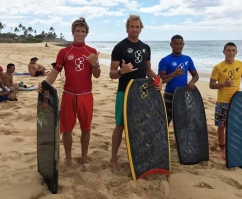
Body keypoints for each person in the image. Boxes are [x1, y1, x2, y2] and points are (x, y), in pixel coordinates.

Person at [37, 17, 101, 165]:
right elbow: (55, 71)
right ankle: (68, 158)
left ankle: (84, 156)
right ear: (72, 32)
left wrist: (95, 64)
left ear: (86, 33)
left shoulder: (91, 52)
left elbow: (97, 75)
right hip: (69, 95)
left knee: (86, 128)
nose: (80, 33)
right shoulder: (65, 51)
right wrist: (44, 84)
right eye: (77, 31)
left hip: (86, 95)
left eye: (83, 31)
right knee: (67, 129)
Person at [109, 14, 162, 171]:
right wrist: (122, 71)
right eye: (132, 26)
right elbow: (112, 74)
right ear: (127, 28)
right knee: (120, 125)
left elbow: (147, 70)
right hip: (124, 91)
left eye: (137, 27)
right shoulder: (120, 47)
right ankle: (113, 159)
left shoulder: (146, 47)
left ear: (141, 28)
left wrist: (157, 80)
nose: (134, 29)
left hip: (141, 93)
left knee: (140, 124)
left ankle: (139, 155)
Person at [209, 42, 242, 160]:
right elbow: (211, 85)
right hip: (223, 101)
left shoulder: (241, 65)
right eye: (228, 50)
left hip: (236, 101)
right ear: (224, 52)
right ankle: (222, 147)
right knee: (221, 125)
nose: (231, 53)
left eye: (233, 50)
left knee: (233, 125)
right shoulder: (218, 67)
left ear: (236, 52)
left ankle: (231, 145)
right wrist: (223, 84)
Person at [158, 35, 199, 125]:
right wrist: (173, 74)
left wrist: (192, 82)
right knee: (165, 120)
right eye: (176, 44)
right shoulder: (165, 60)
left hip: (183, 94)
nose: (178, 46)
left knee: (181, 122)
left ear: (183, 44)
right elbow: (160, 79)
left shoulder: (187, 59)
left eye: (180, 44)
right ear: (171, 45)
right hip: (169, 94)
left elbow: (195, 75)